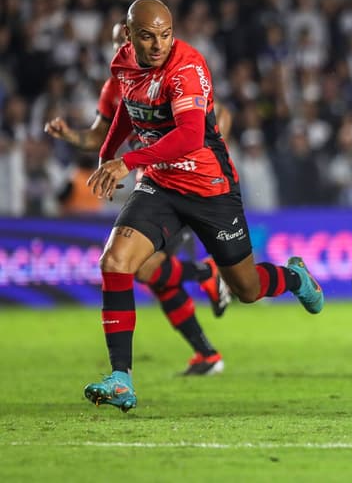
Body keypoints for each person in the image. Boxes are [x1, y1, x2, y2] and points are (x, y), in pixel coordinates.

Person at [81, 0, 324, 412]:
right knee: (116, 262)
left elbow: (191, 136)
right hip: (159, 184)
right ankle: (121, 377)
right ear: (128, 36)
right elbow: (128, 106)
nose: (158, 45)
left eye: (165, 35)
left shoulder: (187, 68)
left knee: (247, 288)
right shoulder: (123, 64)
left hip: (209, 187)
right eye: (147, 36)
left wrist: (128, 159)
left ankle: (294, 277)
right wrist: (108, 154)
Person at [46, 21, 233, 377]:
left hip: (181, 182)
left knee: (144, 268)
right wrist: (71, 136)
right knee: (153, 276)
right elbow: (100, 136)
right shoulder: (114, 87)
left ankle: (206, 278)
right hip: (148, 184)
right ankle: (206, 349)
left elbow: (212, 116)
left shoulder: (173, 75)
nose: (123, 51)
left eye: (125, 43)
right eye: (118, 44)